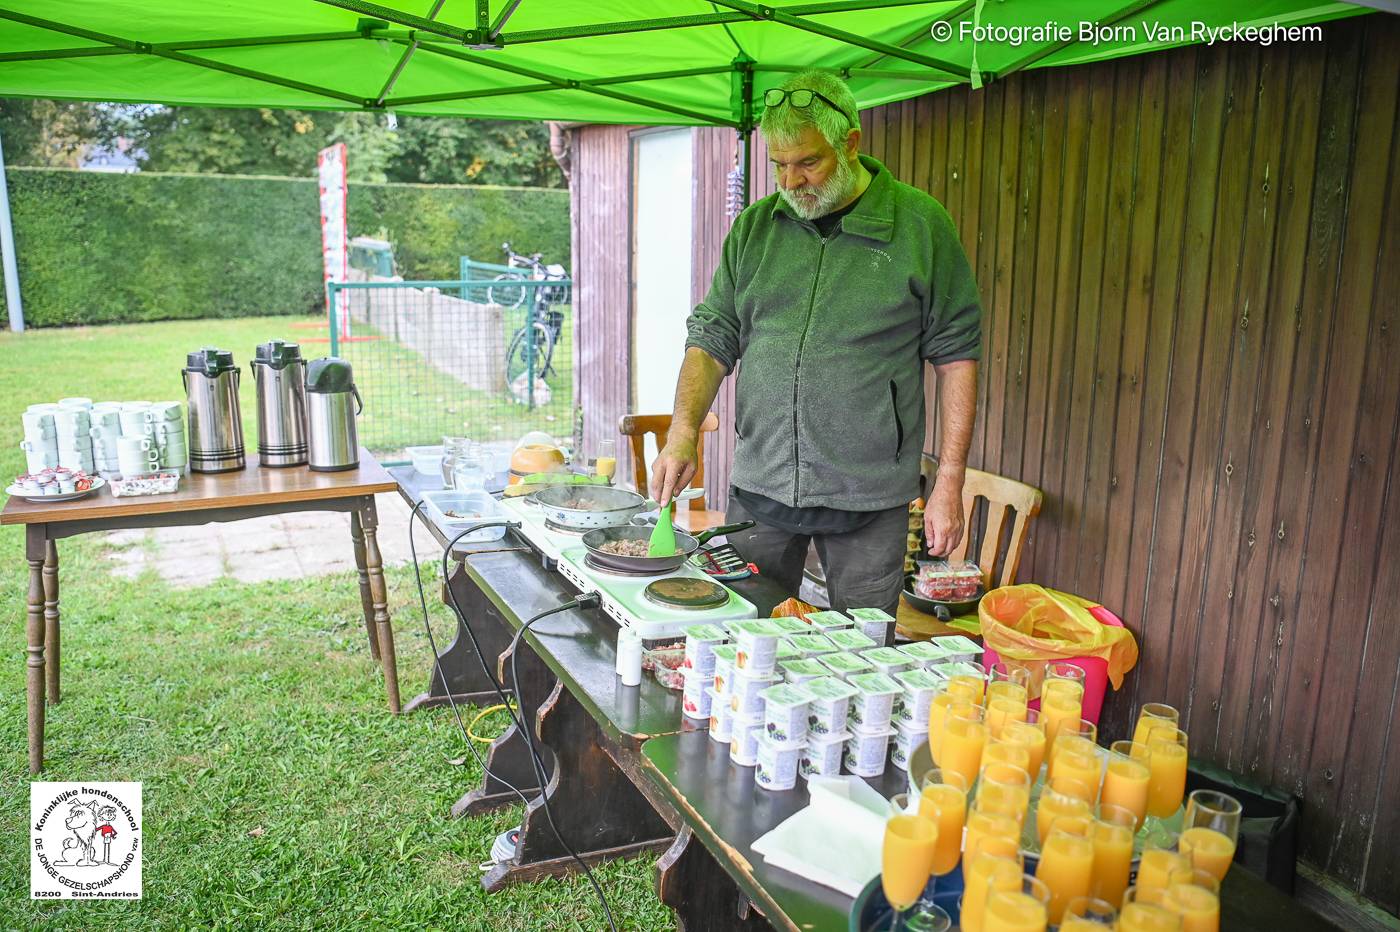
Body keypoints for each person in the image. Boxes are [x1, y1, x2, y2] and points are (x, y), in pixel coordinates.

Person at [650, 70, 981, 620]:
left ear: (850, 143)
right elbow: (712, 336)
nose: (791, 180)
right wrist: (683, 429)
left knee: (864, 653)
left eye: (808, 162)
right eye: (779, 164)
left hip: (870, 497)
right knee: (739, 630)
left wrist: (950, 483)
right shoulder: (756, 229)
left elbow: (956, 357)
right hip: (763, 487)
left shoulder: (920, 227)